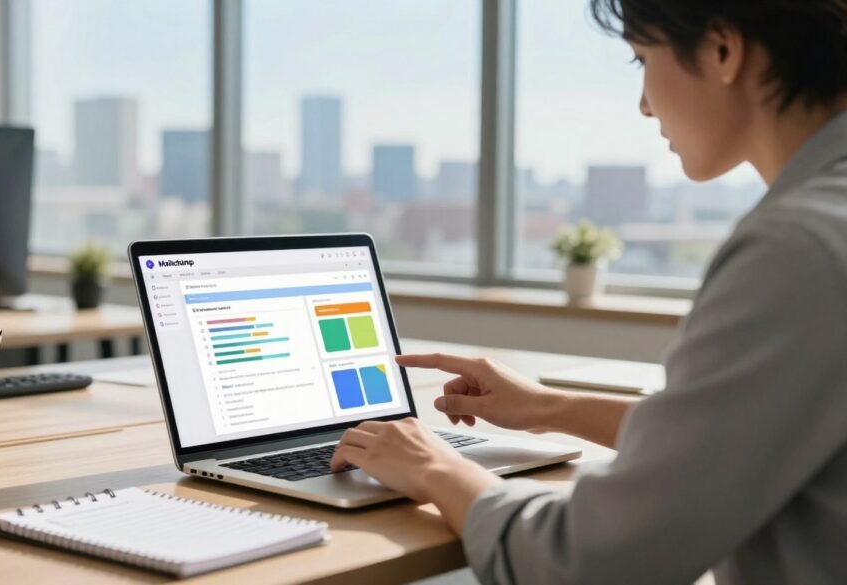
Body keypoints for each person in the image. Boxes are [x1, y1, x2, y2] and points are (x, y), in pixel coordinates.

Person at [329, 1, 847, 583]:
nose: (645, 104)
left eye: (642, 60)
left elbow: (585, 560)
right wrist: (550, 407)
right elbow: (746, 435)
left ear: (723, 50)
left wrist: (434, 468)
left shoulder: (796, 251)